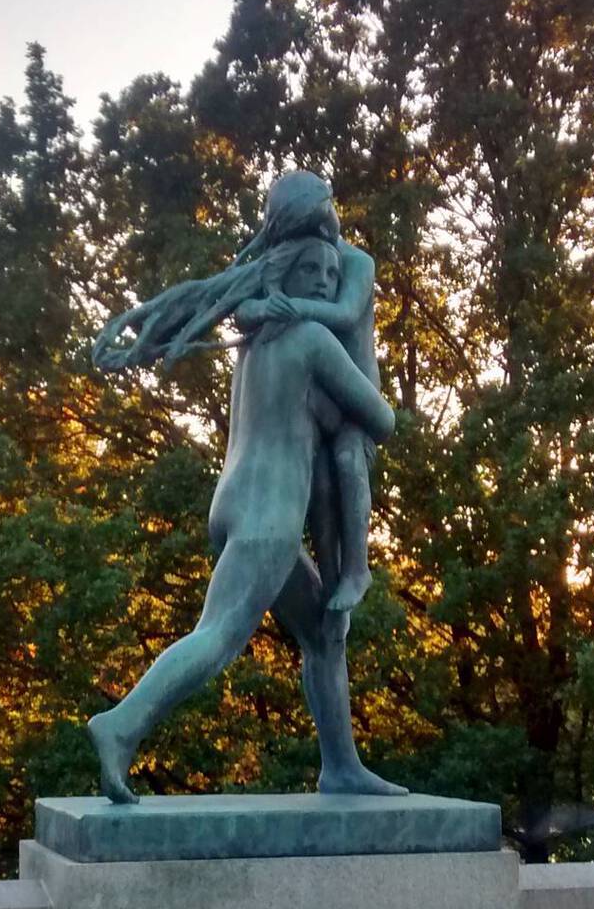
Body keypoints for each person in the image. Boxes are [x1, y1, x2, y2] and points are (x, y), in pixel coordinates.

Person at [89, 234, 407, 802]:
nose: (323, 281)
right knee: (218, 636)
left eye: (332, 273)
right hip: (270, 518)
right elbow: (381, 418)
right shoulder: (311, 339)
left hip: (237, 503)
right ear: (280, 276)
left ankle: (341, 766)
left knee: (323, 637)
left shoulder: (255, 345)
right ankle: (122, 724)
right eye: (308, 269)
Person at [94, 172, 381, 614]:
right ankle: (331, 588)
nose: (320, 273)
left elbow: (343, 314)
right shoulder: (292, 260)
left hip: (353, 384)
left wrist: (294, 308)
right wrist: (261, 307)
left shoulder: (352, 263)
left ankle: (356, 569)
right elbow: (245, 303)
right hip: (316, 390)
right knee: (322, 482)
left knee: (345, 458)